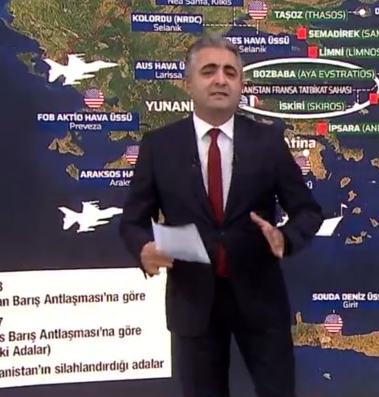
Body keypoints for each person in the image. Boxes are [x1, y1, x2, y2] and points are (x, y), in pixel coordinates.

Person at [118, 34, 325, 397]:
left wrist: (285, 238)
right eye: (209, 71)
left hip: (260, 301)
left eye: (230, 72)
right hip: (192, 304)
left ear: (240, 85)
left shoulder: (268, 143)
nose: (220, 80)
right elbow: (132, 221)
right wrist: (144, 249)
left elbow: (307, 211)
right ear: (189, 83)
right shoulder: (158, 147)